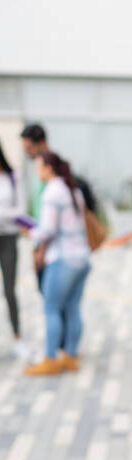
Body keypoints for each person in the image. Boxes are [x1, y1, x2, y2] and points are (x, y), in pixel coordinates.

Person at [22, 152, 90, 375]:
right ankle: (70, 355)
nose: (37, 171)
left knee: (51, 308)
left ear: (48, 168)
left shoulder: (52, 192)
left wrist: (30, 231)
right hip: (81, 257)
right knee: (72, 308)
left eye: (39, 166)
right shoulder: (72, 189)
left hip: (63, 259)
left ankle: (50, 358)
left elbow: (48, 230)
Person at [0, 142, 29, 360]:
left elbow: (20, 211)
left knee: (10, 290)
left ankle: (18, 337)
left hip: (9, 239)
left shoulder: (12, 178)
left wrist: (4, 215)